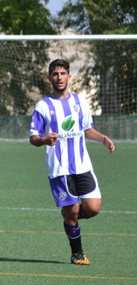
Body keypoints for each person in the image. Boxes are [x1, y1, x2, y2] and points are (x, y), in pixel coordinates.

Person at [29, 58, 115, 265]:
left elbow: (87, 129)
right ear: (49, 77)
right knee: (73, 211)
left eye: (62, 73)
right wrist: (43, 139)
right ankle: (77, 253)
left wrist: (102, 138)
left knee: (93, 208)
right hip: (60, 169)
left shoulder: (79, 102)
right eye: (55, 74)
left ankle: (70, 214)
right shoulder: (43, 106)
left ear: (69, 76)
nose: (59, 77)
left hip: (83, 165)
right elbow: (33, 137)